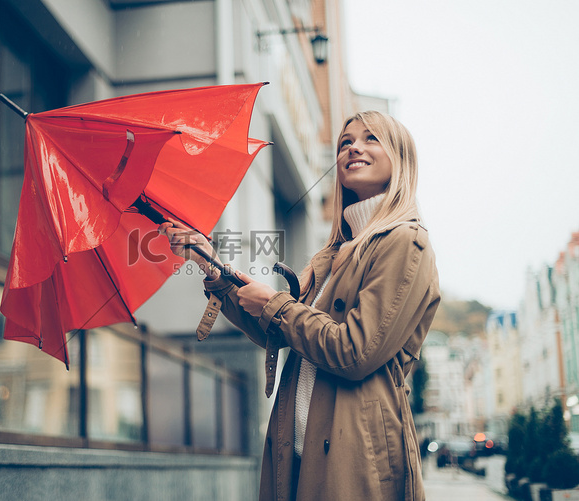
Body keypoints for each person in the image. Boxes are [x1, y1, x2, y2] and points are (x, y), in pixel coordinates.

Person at [160, 110, 440, 500]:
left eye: (370, 138)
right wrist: (209, 263)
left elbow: (354, 351)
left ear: (400, 158)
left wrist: (274, 303)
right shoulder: (333, 256)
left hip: (354, 459)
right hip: (298, 455)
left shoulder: (405, 242)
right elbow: (281, 330)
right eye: (345, 142)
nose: (353, 147)